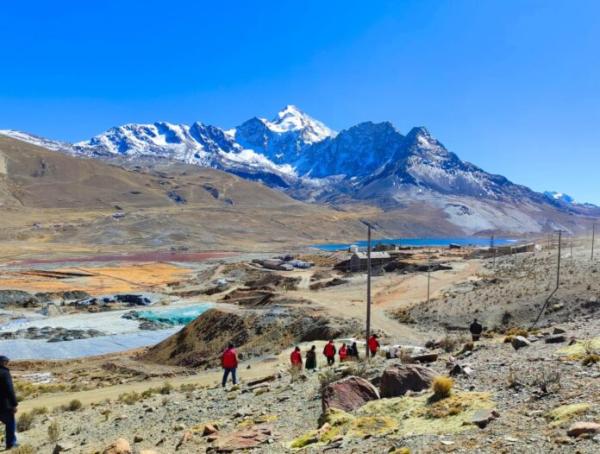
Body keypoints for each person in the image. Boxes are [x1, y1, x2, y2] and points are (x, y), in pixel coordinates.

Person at [0, 356, 17, 450]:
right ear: (2, 362)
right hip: (5, 404)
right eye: (6, 362)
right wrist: (14, 404)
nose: (7, 364)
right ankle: (11, 444)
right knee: (10, 423)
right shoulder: (5, 373)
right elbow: (9, 389)